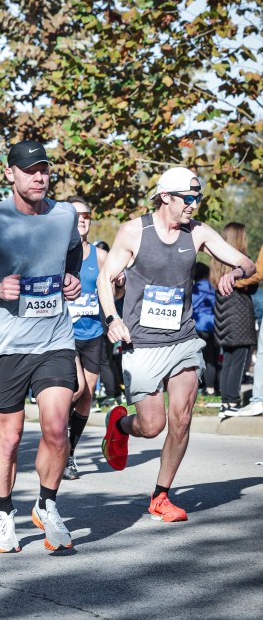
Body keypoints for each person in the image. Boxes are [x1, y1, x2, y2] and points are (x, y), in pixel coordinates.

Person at [97, 166, 255, 523]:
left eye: (197, 197)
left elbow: (245, 262)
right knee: (152, 426)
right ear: (165, 196)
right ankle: (119, 426)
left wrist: (234, 273)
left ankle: (160, 496)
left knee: (181, 418)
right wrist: (112, 318)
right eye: (188, 197)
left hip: (183, 339)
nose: (194, 204)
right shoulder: (135, 231)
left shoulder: (197, 232)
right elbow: (105, 279)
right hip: (142, 342)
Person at [0, 140, 83, 554]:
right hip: (7, 345)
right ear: (10, 174)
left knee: (56, 428)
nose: (39, 177)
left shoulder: (65, 215)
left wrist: (71, 278)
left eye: (44, 169)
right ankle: (4, 513)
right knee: (9, 439)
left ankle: (47, 505)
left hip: (55, 339)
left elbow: (73, 253)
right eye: (29, 170)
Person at [62, 196, 124, 480]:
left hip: (93, 333)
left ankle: (69, 454)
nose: (82, 220)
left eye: (86, 215)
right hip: (64, 334)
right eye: (76, 216)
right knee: (74, 390)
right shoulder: (59, 254)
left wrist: (120, 283)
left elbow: (115, 294)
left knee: (86, 396)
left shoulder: (100, 256)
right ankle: (58, 443)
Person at [210, 223, 258, 418]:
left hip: (222, 317)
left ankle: (225, 402)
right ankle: (232, 401)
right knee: (238, 361)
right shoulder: (240, 265)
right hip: (239, 317)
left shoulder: (217, 262)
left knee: (229, 360)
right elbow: (252, 286)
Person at [192, 261, 219, 396]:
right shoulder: (213, 286)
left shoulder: (197, 287)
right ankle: (213, 386)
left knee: (202, 358)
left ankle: (208, 388)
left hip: (200, 325)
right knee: (212, 357)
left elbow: (191, 305)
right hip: (214, 324)